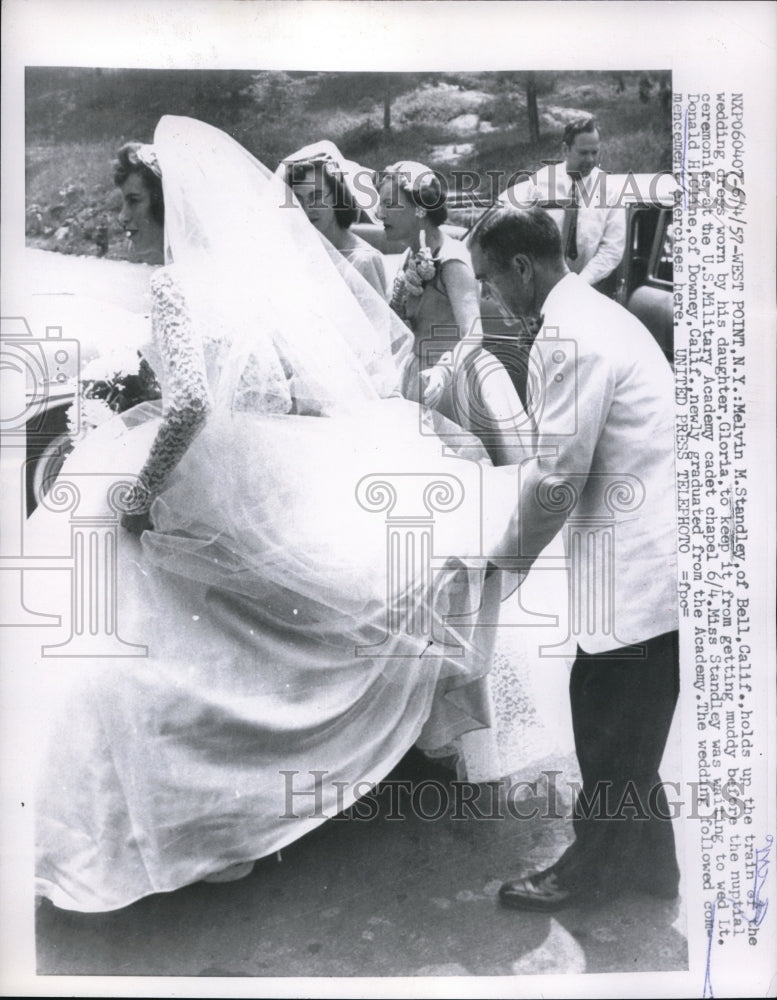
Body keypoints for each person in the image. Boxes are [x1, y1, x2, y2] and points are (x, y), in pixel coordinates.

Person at [29, 117, 530, 912]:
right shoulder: (231, 274)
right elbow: (266, 384)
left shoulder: (172, 283)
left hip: (197, 468)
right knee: (237, 631)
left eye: (130, 201)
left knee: (161, 640)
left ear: (168, 206)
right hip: (250, 459)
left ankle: (193, 814)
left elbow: (192, 401)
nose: (122, 217)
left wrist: (138, 492)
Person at [469, 205, 680, 910]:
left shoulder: (568, 334)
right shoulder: (592, 313)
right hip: (650, 550)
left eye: (489, 282)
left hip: (641, 562)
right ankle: (652, 868)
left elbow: (557, 478)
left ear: (522, 269)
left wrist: (502, 560)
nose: (490, 298)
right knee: (628, 721)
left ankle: (589, 876)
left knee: (605, 718)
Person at [378, 160, 523, 466]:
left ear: (420, 209)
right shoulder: (410, 254)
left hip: (452, 379)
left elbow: (475, 333)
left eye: (390, 204)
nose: (380, 214)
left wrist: (443, 372)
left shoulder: (453, 260)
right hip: (416, 372)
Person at [500, 116, 626, 293]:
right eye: (583, 153)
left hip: (587, 290)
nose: (590, 159)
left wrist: (579, 284)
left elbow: (612, 248)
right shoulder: (540, 182)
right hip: (540, 288)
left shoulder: (610, 190)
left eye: (595, 152)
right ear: (565, 149)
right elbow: (503, 213)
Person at [279, 141, 388, 298]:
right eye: (299, 200)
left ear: (337, 196)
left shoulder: (363, 261)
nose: (307, 208)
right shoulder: (303, 254)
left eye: (316, 197)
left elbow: (378, 322)